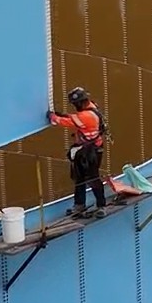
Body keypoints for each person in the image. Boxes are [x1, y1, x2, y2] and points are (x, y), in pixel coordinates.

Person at [47, 86, 108, 219]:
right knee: (79, 178)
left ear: (80, 103)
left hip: (91, 151)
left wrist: (52, 116)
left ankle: (101, 206)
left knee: (93, 178)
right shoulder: (91, 107)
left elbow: (65, 122)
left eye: (75, 104)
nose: (74, 107)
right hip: (87, 149)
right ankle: (79, 205)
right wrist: (61, 114)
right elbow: (74, 118)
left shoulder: (86, 116)